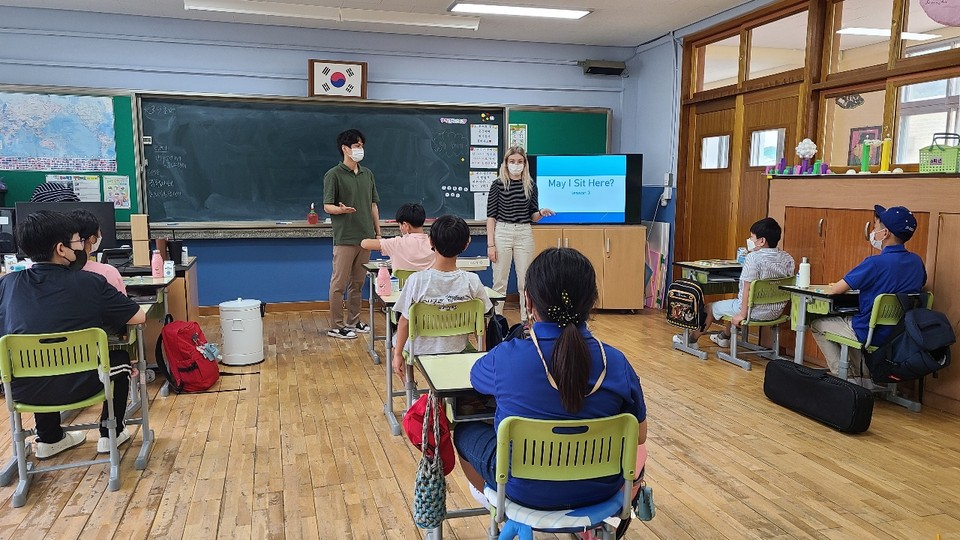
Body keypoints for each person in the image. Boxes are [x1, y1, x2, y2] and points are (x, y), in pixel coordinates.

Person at [454, 247, 647, 512]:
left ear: (529, 301)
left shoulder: (507, 358)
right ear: (592, 301)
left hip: (526, 492)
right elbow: (640, 435)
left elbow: (476, 377)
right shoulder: (615, 362)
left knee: (464, 430)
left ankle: (497, 502)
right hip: (600, 489)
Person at [0, 211, 145, 458]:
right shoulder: (90, 282)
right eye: (78, 242)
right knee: (120, 359)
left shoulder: (7, 284)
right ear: (61, 249)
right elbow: (139, 317)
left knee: (41, 360)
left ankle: (50, 438)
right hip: (85, 385)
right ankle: (110, 432)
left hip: (23, 389)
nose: (81, 247)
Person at [811, 205, 926, 382]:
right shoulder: (917, 262)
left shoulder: (875, 263)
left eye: (875, 227)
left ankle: (845, 377)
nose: (873, 232)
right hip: (902, 333)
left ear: (885, 233)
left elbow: (836, 289)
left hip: (869, 332)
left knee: (817, 324)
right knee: (853, 326)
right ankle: (863, 376)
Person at [392, 215, 493, 382]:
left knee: (396, 339)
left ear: (430, 241)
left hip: (418, 352)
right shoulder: (472, 281)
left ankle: (413, 391)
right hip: (456, 349)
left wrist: (397, 354)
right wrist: (481, 356)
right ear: (466, 244)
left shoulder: (417, 281)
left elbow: (404, 321)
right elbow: (480, 323)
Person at [673, 217, 795, 349]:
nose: (750, 241)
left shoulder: (753, 258)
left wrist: (742, 315)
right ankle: (724, 337)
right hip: (776, 312)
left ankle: (691, 340)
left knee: (710, 308)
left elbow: (748, 289)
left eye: (752, 237)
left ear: (761, 241)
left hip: (752, 312)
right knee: (733, 305)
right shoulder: (787, 258)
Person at [323, 128, 381, 339]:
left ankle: (354, 321)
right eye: (357, 146)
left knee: (358, 282)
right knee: (339, 283)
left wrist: (378, 233)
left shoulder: (368, 174)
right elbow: (327, 206)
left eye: (362, 146)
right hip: (345, 236)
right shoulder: (333, 175)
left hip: (366, 237)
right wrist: (340, 210)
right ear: (345, 148)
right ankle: (337, 325)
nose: (360, 149)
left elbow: (373, 205)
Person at [485, 146, 554, 325]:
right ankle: (497, 321)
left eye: (520, 161)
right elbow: (491, 217)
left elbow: (532, 216)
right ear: (506, 164)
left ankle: (526, 320)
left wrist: (541, 213)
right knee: (499, 281)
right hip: (502, 231)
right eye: (512, 161)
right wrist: (490, 245)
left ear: (525, 164)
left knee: (526, 280)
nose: (516, 165)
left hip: (524, 232)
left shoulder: (530, 185)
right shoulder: (497, 184)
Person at [360, 203, 433, 272]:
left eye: (400, 225)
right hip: (428, 285)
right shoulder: (435, 244)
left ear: (405, 225)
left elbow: (365, 244)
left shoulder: (396, 243)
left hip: (402, 285)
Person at [69, 208, 126, 294]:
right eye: (99, 232)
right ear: (92, 239)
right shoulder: (107, 272)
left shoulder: (56, 273)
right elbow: (123, 306)